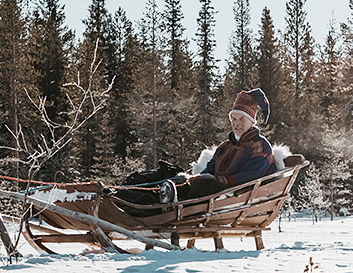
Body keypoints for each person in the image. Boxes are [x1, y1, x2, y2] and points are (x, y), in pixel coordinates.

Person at [115, 88, 277, 206]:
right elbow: (210, 168)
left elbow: (250, 177)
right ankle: (127, 196)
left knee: (203, 184)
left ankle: (167, 202)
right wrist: (195, 177)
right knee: (177, 178)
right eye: (233, 119)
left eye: (242, 119)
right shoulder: (225, 146)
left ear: (252, 121)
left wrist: (216, 180)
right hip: (212, 189)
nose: (236, 124)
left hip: (235, 194)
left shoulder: (260, 147)